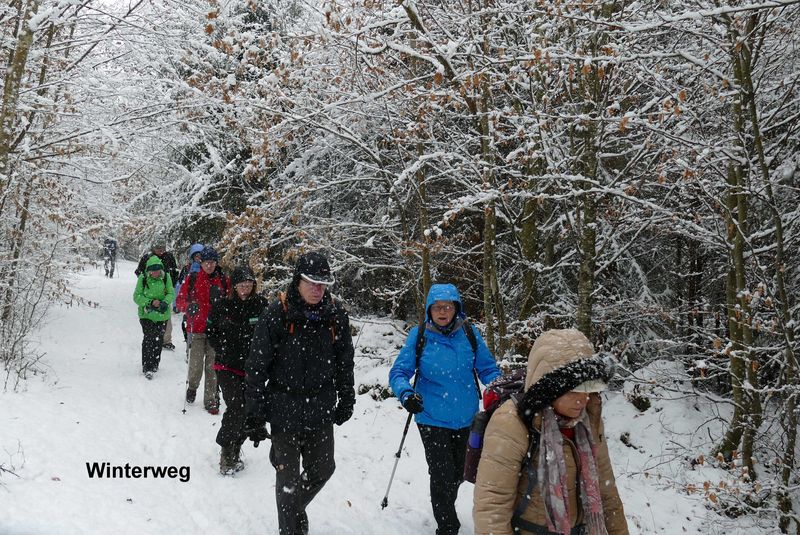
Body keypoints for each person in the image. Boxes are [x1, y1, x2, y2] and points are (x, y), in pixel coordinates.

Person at [473, 329, 629, 535]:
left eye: (588, 388)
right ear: (549, 390)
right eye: (573, 390)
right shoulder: (512, 423)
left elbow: (607, 493)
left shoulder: (588, 419)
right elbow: (492, 505)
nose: (583, 399)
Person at [244, 251, 355, 535]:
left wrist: (347, 396)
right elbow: (256, 366)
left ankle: (293, 509)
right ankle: (290, 528)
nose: (318, 289)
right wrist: (254, 414)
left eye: (322, 284)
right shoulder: (277, 314)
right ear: (297, 281)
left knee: (323, 469)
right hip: (283, 407)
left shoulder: (335, 316)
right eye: (311, 282)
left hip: (320, 406)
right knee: (288, 480)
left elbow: (344, 361)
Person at [389, 283, 501, 535]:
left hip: (466, 417)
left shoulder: (469, 333)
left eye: (447, 307)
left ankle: (445, 505)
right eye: (437, 307)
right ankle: (447, 525)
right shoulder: (419, 335)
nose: (442, 311)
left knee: (460, 472)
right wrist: (406, 394)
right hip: (431, 416)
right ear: (429, 309)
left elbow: (487, 369)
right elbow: (399, 372)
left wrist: (500, 388)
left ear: (456, 308)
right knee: (441, 473)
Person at [207, 265, 268, 475]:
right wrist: (222, 348)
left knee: (248, 408)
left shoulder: (261, 305)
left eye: (249, 285)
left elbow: (271, 333)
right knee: (237, 407)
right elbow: (210, 331)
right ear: (234, 286)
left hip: (252, 368)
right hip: (226, 366)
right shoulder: (222, 305)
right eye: (241, 285)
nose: (245, 289)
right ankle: (226, 451)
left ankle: (236, 445)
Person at [175, 246, 230, 414]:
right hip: (196, 329)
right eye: (206, 262)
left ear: (216, 263)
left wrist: (225, 314)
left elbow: (231, 303)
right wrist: (188, 306)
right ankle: (192, 387)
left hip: (216, 330)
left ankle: (210, 399)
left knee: (212, 367)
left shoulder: (223, 281)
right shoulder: (192, 279)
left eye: (212, 262)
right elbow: (179, 301)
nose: (209, 265)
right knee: (195, 366)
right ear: (201, 263)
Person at [132, 255, 175, 379]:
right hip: (146, 315)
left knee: (159, 339)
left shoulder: (166, 277)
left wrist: (164, 302)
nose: (155, 273)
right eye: (152, 270)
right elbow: (136, 296)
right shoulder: (143, 278)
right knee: (149, 338)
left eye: (157, 270)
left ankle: (155, 363)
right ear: (148, 270)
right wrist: (150, 302)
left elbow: (171, 293)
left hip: (162, 315)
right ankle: (147, 366)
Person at [136, 242, 179, 351]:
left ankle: (166, 340)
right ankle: (151, 340)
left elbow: (175, 271)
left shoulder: (169, 256)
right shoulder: (147, 257)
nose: (161, 250)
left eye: (162, 247)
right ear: (153, 248)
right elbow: (139, 271)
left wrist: (170, 282)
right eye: (158, 248)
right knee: (150, 322)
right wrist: (146, 281)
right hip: (149, 291)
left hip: (165, 291)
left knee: (166, 318)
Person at [175, 243, 204, 346]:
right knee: (191, 333)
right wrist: (176, 304)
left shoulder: (207, 269)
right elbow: (179, 287)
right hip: (191, 306)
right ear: (192, 257)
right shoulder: (187, 269)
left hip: (202, 308)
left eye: (200, 256)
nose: (198, 258)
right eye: (196, 256)